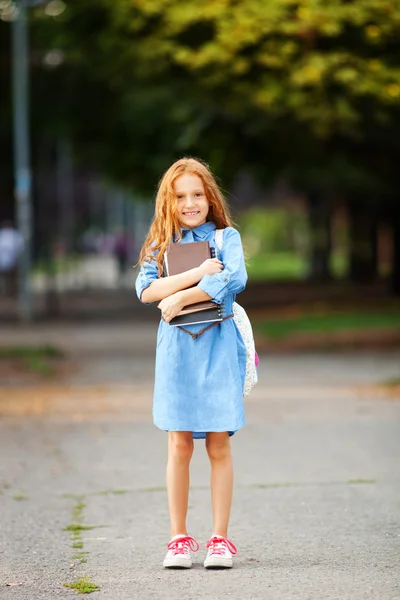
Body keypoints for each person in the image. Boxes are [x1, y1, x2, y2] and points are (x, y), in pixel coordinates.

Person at [135, 157, 247, 569]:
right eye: (180, 196)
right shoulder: (159, 245)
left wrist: (181, 297)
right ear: (169, 201)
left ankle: (220, 539)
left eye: (197, 194)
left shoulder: (226, 237)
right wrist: (197, 274)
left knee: (218, 442)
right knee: (179, 444)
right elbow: (146, 292)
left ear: (209, 197)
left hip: (218, 347)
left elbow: (234, 279)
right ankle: (178, 538)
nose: (190, 203)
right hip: (177, 353)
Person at [0, 219, 23, 297]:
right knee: (6, 278)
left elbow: (20, 247)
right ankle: (7, 292)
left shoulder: (14, 234)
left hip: (12, 260)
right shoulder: (3, 234)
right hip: (4, 260)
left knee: (12, 278)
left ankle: (13, 292)